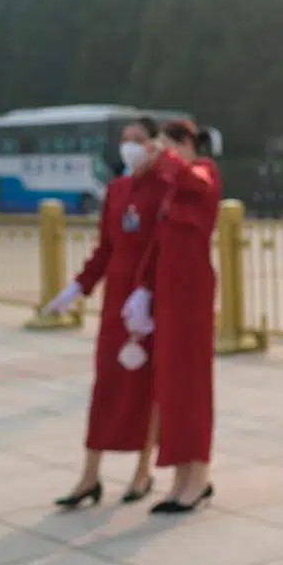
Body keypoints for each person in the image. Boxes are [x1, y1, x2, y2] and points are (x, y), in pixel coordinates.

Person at [46, 117, 165, 509]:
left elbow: (165, 248)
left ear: (155, 145)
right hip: (116, 304)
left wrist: (148, 293)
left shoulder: (165, 189)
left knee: (147, 389)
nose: (130, 146)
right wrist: (78, 286)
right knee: (106, 387)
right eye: (125, 140)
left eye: (139, 140)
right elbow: (105, 249)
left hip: (148, 303)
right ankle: (89, 475)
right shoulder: (115, 190)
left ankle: (142, 470)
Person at [125, 118, 223, 514]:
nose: (160, 153)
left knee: (192, 386)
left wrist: (165, 159)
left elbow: (195, 182)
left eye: (168, 145)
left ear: (186, 144)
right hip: (168, 299)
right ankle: (181, 475)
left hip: (192, 298)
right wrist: (141, 288)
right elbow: (158, 241)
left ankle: (197, 477)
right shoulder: (170, 186)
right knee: (171, 388)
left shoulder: (203, 172)